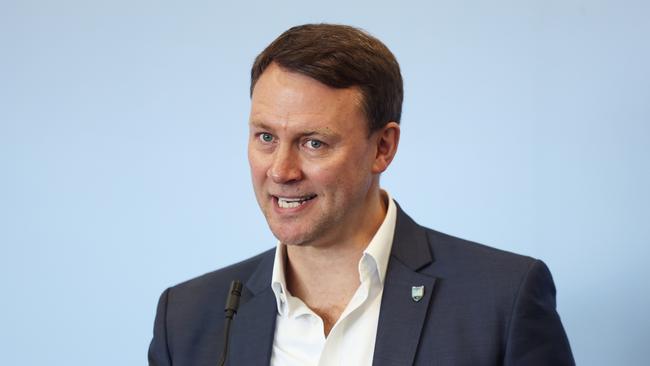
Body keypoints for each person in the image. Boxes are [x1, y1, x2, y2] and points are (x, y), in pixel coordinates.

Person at [148, 23, 574, 366]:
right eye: (265, 137)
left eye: (313, 142)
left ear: (382, 147)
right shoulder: (187, 320)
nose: (280, 170)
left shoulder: (501, 300)